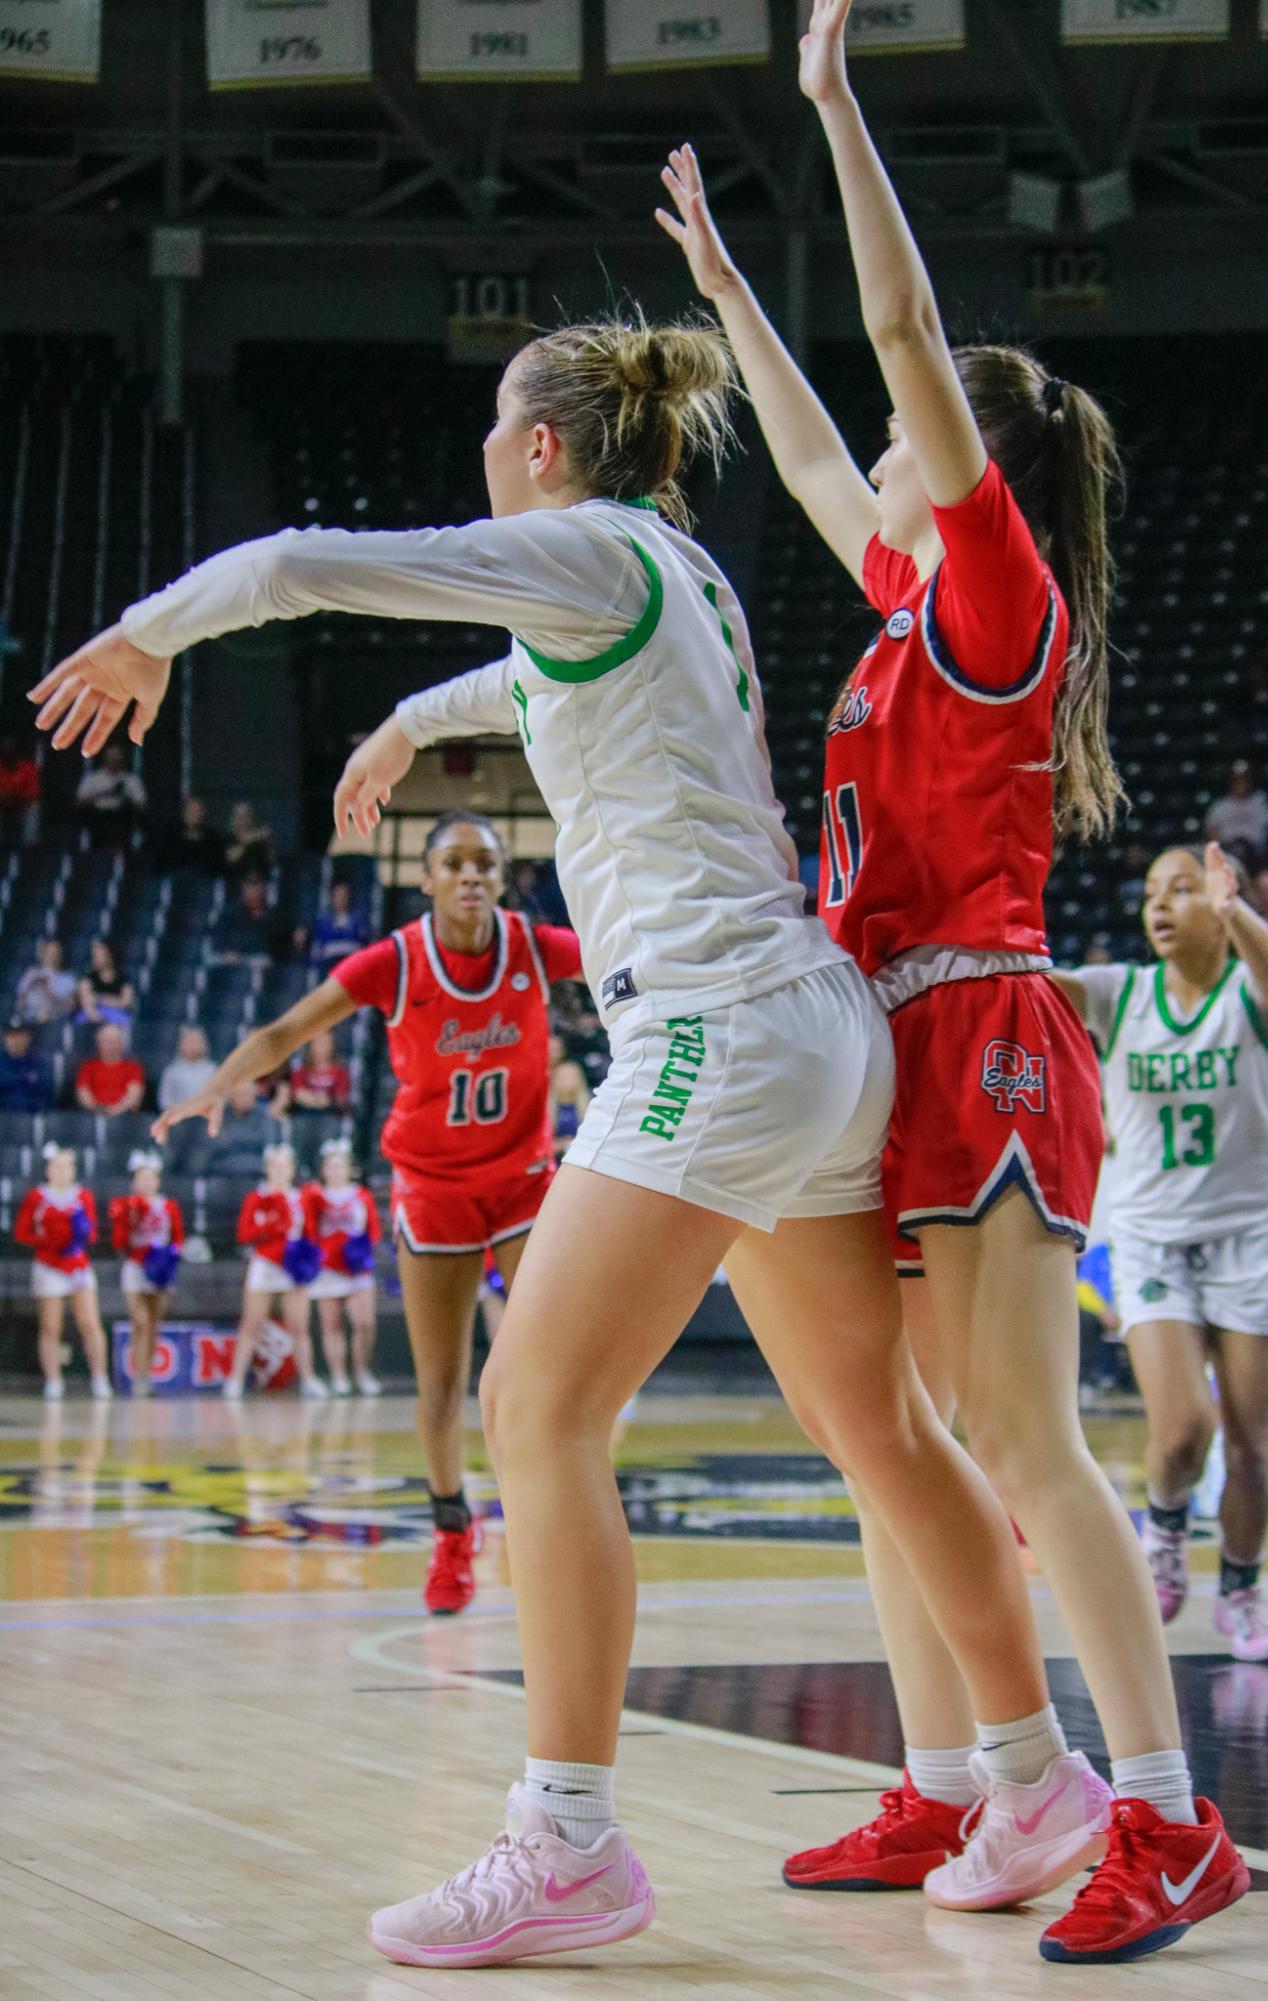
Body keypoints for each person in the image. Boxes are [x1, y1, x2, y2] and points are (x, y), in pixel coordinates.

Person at [34, 293, 1092, 1978]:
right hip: (813, 1030)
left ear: (539, 445)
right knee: (880, 1429)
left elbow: (305, 559)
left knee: (535, 1405)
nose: (478, 464)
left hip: (714, 1031)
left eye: (491, 440)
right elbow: (531, 680)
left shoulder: (582, 545)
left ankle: (566, 1840)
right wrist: (406, 727)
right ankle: (1034, 1781)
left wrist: (153, 630)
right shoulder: (671, 574)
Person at [657, 0, 1244, 1963]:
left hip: (980, 1035)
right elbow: (828, 431)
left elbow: (902, 351)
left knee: (1014, 1439)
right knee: (889, 1444)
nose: (881, 462)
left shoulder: (996, 601)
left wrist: (829, 106)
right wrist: (733, 287)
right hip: (879, 1043)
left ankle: (1165, 1817)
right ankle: (950, 1775)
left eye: (918, 445)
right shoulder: (902, 603)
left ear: (968, 469)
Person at [155, 810, 583, 1616]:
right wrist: (219, 1083)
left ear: (502, 875)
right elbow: (287, 1028)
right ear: (426, 879)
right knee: (441, 1380)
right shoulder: (396, 960)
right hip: (432, 1185)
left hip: (525, 1178)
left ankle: (544, 1515)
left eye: (485, 863)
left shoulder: (534, 944)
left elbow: (629, 962)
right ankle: (452, 1531)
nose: (471, 876)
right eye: (453, 862)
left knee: (542, 1364)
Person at [1055, 843, 1268, 1666]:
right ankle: (1163, 1531)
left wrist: (1240, 914)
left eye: (1183, 890)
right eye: (1153, 893)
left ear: (1220, 904)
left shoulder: (1253, 995)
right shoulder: (1121, 992)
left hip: (1249, 1238)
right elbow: (1035, 986)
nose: (1160, 905)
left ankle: (1242, 1591)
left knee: (1249, 1444)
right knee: (1181, 1432)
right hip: (1153, 1236)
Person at [228, 1141, 325, 1401]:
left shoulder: (302, 1199)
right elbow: (244, 1233)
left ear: (292, 1169)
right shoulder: (256, 1198)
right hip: (265, 1265)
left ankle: (308, 1379)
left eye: (285, 1165)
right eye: (276, 1165)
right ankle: (235, 1380)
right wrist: (270, 1226)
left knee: (299, 1326)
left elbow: (310, 1233)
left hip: (293, 1267)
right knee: (251, 1323)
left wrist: (307, 1261)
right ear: (268, 1168)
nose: (280, 1170)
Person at [15, 1144, 110, 1401]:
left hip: (77, 1265)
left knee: (90, 1322)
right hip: (48, 1265)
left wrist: (75, 1237)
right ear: (48, 1169)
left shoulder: (83, 1196)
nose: (61, 1171)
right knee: (50, 1326)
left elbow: (91, 1232)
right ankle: (54, 1381)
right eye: (56, 1166)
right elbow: (22, 1233)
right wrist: (50, 1240)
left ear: (73, 1170)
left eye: (67, 1166)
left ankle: (100, 1378)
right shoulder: (37, 1197)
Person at [305, 1138, 382, 1396]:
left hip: (357, 1268)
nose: (336, 1171)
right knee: (331, 1324)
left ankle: (361, 1371)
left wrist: (360, 1253)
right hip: (327, 1267)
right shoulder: (314, 1195)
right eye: (331, 1166)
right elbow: (308, 1229)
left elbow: (373, 1231)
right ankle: (339, 1376)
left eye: (341, 1166)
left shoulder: (362, 1196)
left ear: (349, 1169)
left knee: (364, 1323)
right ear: (324, 1169)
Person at [109, 1150, 184, 1397]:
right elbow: (119, 1241)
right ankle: (136, 1374)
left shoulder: (168, 1206)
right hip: (136, 1266)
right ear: (134, 1182)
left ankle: (145, 1376)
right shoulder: (125, 1205)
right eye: (142, 1178)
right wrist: (131, 1217)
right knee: (139, 1321)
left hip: (161, 1268)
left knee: (153, 1324)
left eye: (151, 1178)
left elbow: (178, 1238)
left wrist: (168, 1257)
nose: (146, 1183)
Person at [1204, 760, 1268, 862]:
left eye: (1244, 779)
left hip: (1257, 858)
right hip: (1229, 857)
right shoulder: (1220, 807)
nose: (1241, 783)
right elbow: (1211, 835)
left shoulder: (1261, 803)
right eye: (1237, 780)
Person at [74, 740, 146, 846]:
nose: (114, 760)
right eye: (111, 756)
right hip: (97, 819)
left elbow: (142, 805)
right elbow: (79, 802)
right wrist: (106, 793)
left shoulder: (131, 780)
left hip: (122, 819)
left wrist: (125, 797)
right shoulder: (92, 779)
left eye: (117, 757)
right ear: (105, 757)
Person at [75, 1022, 145, 1116]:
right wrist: (98, 1110)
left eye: (115, 1041)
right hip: (93, 1115)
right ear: (99, 1044)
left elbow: (133, 1096)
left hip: (124, 1116)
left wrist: (115, 1110)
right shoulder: (88, 1067)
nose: (111, 1046)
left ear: (122, 1044)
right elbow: (83, 1094)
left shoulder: (133, 1067)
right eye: (106, 1042)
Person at [15, 938, 77, 1027]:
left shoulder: (68, 978)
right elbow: (20, 1001)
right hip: (29, 1022)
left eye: (56, 951)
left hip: (56, 1023)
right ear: (43, 952)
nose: (53, 955)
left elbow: (71, 1005)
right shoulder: (30, 974)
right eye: (50, 951)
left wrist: (50, 995)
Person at [160, 794, 227, 874]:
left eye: (197, 811)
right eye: (190, 811)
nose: (193, 814)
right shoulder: (172, 833)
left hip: (204, 877)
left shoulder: (211, 836)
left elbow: (216, 860)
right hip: (177, 876)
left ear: (202, 814)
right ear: (184, 813)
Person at [310, 880, 369, 970]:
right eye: (338, 896)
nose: (341, 899)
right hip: (330, 962)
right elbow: (320, 943)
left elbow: (362, 940)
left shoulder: (358, 918)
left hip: (351, 961)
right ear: (332, 898)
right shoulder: (324, 919)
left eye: (344, 896)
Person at [289, 1029, 351, 1113]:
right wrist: (314, 1098)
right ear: (311, 1046)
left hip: (330, 1116)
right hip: (303, 1115)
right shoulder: (301, 1071)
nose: (324, 1048)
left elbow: (341, 1098)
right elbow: (298, 1093)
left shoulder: (340, 1072)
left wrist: (329, 1100)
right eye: (320, 1044)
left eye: (327, 1044)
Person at [157, 1026, 218, 1111]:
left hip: (206, 1117)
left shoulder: (213, 1070)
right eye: (189, 1041)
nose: (193, 1045)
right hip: (179, 1119)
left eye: (196, 1041)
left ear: (204, 1044)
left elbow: (219, 1099)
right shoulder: (172, 1071)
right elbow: (165, 1101)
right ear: (181, 1045)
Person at [76, 938, 134, 1026]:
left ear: (109, 956)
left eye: (99, 956)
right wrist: (96, 1017)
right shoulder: (86, 978)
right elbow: (87, 1002)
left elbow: (125, 1002)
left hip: (116, 1016)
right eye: (94, 956)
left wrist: (100, 999)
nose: (94, 959)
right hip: (91, 1017)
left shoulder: (123, 978)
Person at [0, 1020, 52, 1113]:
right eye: (11, 1036)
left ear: (27, 1038)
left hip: (31, 1116)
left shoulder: (38, 1062)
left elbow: (46, 1090)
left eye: (20, 1035)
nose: (16, 1040)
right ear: (5, 1039)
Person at [0, 732, 40, 844]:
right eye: (5, 751)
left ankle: (29, 846)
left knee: (35, 807)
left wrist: (17, 800)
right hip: (2, 806)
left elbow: (33, 794)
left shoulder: (28, 768)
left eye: (11, 750)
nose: (9, 753)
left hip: (22, 805)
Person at [549, 1057, 589, 1161]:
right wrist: (561, 1145)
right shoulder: (547, 1110)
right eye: (563, 1077)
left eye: (571, 1077)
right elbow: (539, 1146)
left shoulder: (589, 1108)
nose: (567, 1081)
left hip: (580, 1160)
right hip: (554, 1162)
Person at [224, 801, 273, 879]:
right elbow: (230, 858)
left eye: (247, 816)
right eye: (239, 817)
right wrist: (250, 839)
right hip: (235, 883)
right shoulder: (227, 838)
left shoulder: (260, 840)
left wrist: (267, 842)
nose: (243, 820)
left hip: (258, 883)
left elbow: (271, 861)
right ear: (233, 819)